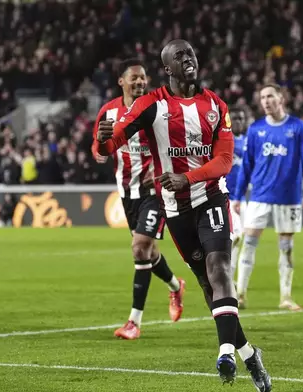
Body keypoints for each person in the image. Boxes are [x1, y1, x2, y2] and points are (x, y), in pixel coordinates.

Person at [95, 40, 271, 390]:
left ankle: (225, 353)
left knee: (219, 267)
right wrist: (102, 141)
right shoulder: (151, 105)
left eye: (190, 53)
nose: (187, 59)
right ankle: (250, 353)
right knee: (208, 285)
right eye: (179, 57)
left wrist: (186, 177)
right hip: (176, 210)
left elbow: (223, 160)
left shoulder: (216, 106)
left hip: (211, 198)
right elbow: (112, 143)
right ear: (168, 70)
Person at [91, 58, 185, 340]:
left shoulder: (158, 109)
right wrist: (100, 145)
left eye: (143, 78)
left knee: (140, 246)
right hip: (127, 193)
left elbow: (180, 146)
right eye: (134, 78)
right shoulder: (108, 112)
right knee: (148, 252)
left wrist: (164, 172)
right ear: (122, 81)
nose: (140, 82)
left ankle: (134, 322)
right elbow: (98, 153)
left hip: (155, 192)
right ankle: (175, 286)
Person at [232, 84, 303, 311]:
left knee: (286, 247)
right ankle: (240, 294)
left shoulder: (297, 127)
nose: (266, 101)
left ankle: (286, 297)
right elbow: (246, 165)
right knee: (248, 244)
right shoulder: (256, 129)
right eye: (262, 98)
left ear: (281, 98)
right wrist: (238, 195)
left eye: (270, 96)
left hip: (288, 197)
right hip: (259, 195)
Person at [226, 106, 248, 277]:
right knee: (237, 236)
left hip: (242, 199)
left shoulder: (247, 142)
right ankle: (224, 272)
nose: (239, 122)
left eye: (241, 118)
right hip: (226, 197)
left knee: (243, 240)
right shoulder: (225, 141)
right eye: (235, 118)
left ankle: (230, 276)